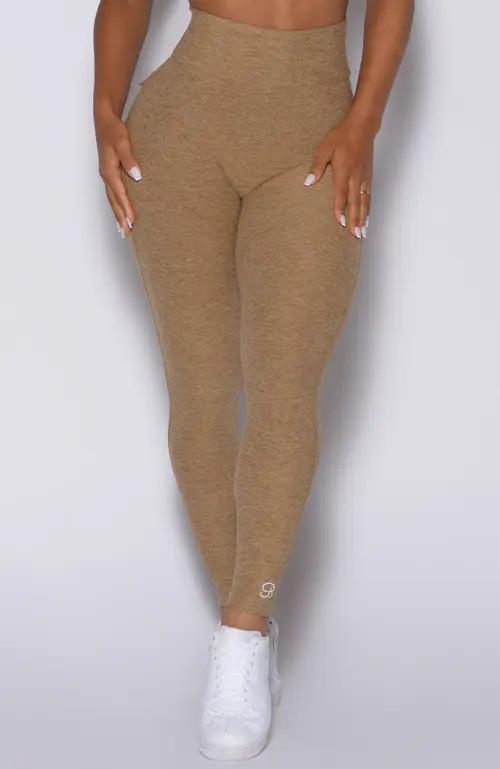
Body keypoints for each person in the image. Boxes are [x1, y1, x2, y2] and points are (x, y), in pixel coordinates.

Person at [93, 0, 414, 760]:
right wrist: (104, 114)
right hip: (182, 129)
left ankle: (241, 630)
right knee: (201, 397)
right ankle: (248, 633)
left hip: (316, 130)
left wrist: (364, 121)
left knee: (285, 391)